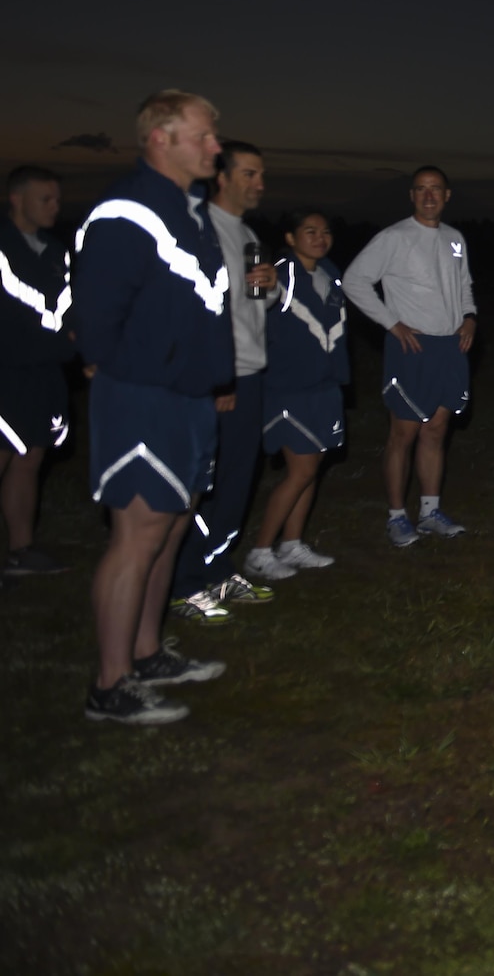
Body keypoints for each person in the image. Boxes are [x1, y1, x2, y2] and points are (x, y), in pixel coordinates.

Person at [72, 90, 235, 724]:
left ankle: (144, 653)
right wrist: (148, 374)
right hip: (144, 400)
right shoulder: (127, 211)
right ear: (160, 139)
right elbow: (95, 318)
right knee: (136, 537)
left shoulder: (189, 212)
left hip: (189, 402)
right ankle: (110, 686)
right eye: (204, 135)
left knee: (169, 530)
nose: (215, 146)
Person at [167, 139, 279, 622]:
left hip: (252, 370)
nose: (259, 184)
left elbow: (254, 306)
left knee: (238, 480)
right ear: (224, 177)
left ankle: (217, 568)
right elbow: (194, 312)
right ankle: (183, 582)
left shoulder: (248, 234)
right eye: (250, 174)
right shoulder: (201, 231)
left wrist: (269, 290)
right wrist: (217, 378)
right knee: (203, 484)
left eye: (260, 175)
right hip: (218, 378)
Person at [343, 165, 477, 546]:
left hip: (451, 347)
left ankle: (431, 511)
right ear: (412, 196)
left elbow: (464, 285)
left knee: (436, 430)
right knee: (403, 433)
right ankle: (397, 516)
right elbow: (354, 280)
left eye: (436, 189)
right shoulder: (394, 237)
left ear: (447, 195)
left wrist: (469, 318)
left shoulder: (455, 239)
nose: (429, 196)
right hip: (411, 347)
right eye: (421, 189)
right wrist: (392, 323)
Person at [242, 211, 346, 580]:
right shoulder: (278, 272)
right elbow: (261, 297)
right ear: (290, 237)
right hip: (288, 387)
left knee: (311, 469)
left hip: (324, 384)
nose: (320, 237)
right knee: (300, 470)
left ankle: (292, 544)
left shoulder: (330, 273)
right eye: (310, 231)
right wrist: (263, 283)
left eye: (325, 231)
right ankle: (259, 551)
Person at [1, 165, 74, 580]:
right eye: (45, 199)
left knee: (30, 458)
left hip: (45, 372)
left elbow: (64, 307)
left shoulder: (54, 250)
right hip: (7, 371)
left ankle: (20, 550)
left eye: (57, 199)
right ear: (17, 198)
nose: (54, 207)